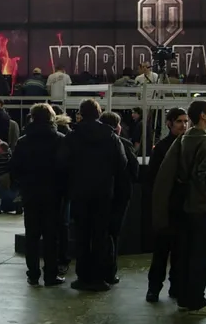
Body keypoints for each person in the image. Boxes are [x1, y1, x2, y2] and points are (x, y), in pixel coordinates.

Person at [156, 99, 206, 315]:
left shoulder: (183, 139)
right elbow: (205, 179)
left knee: (183, 255)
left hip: (181, 207)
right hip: (199, 208)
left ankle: (184, 298)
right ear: (202, 115)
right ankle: (197, 302)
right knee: (200, 257)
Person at [58, 99, 126, 292]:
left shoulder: (72, 136)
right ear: (98, 113)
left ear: (80, 114)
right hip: (103, 192)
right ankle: (99, 277)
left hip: (79, 193)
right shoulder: (111, 136)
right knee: (100, 235)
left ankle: (83, 277)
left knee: (81, 234)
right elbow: (121, 163)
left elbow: (61, 162)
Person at [10, 103, 66, 286]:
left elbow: (15, 168)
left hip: (31, 193)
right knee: (51, 236)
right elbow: (66, 168)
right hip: (53, 194)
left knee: (32, 236)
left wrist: (24, 185)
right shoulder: (60, 140)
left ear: (32, 118)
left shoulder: (23, 141)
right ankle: (50, 275)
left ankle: (33, 275)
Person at [146, 107, 189, 302]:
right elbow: (153, 179)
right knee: (161, 252)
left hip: (181, 207)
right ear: (169, 123)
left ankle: (176, 287)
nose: (183, 125)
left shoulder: (187, 145)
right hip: (166, 207)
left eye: (185, 121)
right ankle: (154, 288)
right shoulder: (162, 148)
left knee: (179, 253)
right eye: (179, 121)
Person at [101, 111, 139, 284]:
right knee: (113, 233)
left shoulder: (95, 144)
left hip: (100, 193)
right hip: (120, 194)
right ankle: (110, 271)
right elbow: (134, 169)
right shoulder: (124, 143)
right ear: (117, 127)